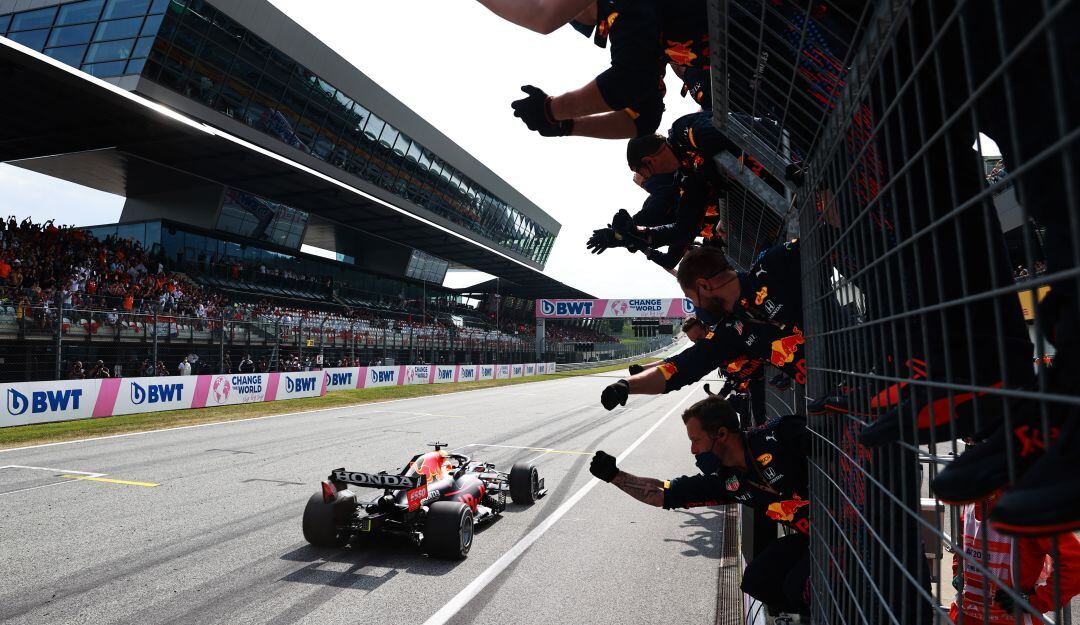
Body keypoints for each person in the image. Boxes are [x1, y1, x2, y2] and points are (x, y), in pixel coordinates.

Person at [590, 396, 811, 616]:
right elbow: (661, 495)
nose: (693, 450)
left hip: (832, 526)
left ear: (721, 434)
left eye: (695, 440)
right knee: (757, 581)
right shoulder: (725, 481)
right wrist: (615, 476)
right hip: (811, 536)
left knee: (796, 588)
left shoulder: (778, 435)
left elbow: (827, 443)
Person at [601, 239, 806, 410]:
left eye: (692, 298)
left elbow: (822, 235)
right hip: (819, 381)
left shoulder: (772, 264)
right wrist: (626, 385)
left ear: (704, 286)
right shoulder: (730, 330)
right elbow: (683, 366)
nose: (696, 306)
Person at [588, 112, 784, 270]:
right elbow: (684, 229)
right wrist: (632, 237)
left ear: (648, 161)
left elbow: (714, 134)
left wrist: (710, 168)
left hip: (784, 149)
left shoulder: (680, 131)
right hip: (782, 196)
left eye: (642, 173)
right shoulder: (686, 177)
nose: (648, 179)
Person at [496, 0, 711, 140]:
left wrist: (552, 110)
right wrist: (567, 125)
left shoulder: (623, 8)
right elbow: (645, 116)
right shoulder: (634, 26)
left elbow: (629, 80)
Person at [948, 490, 1080, 624]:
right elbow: (964, 542)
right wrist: (958, 571)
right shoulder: (973, 500)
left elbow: (1075, 563)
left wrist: (1033, 602)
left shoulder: (1030, 509)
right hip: (965, 614)